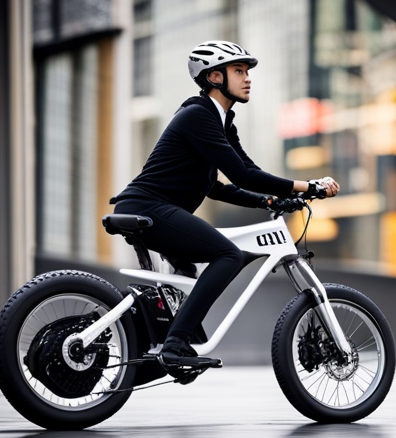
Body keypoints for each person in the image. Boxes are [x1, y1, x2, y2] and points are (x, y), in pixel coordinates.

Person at [110, 40, 339, 370]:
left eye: (247, 72)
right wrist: (309, 186)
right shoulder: (198, 116)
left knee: (192, 271)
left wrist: (272, 200)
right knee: (228, 254)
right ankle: (175, 346)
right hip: (149, 209)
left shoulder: (220, 121)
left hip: (153, 210)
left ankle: (172, 341)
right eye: (239, 71)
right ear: (215, 77)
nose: (248, 78)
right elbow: (243, 174)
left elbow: (220, 186)